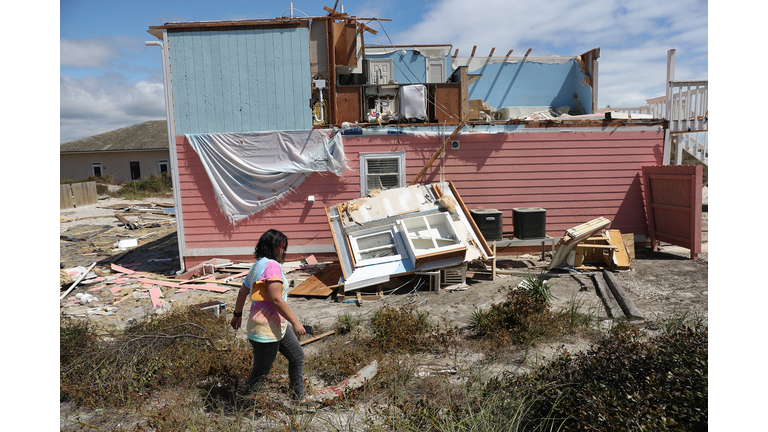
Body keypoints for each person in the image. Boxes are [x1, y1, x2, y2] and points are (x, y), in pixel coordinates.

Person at [230, 229, 306, 400]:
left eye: (286, 247)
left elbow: (242, 293)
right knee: (261, 371)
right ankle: (246, 408)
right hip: (266, 331)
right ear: (273, 247)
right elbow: (276, 299)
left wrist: (237, 314)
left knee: (297, 356)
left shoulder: (257, 265)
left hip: (276, 326)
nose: (285, 251)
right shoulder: (271, 266)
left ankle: (298, 399)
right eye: (282, 247)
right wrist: (296, 322)